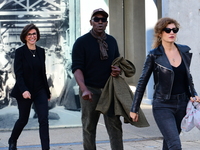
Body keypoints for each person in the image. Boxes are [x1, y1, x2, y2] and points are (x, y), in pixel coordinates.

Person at [130, 17, 200, 150]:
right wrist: (134, 108)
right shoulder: (154, 55)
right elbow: (142, 82)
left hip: (182, 104)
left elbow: (187, 77)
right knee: (175, 145)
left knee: (168, 144)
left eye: (174, 29)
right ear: (160, 33)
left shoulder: (184, 51)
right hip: (163, 105)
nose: (172, 32)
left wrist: (194, 94)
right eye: (168, 30)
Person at [72, 8, 123, 150]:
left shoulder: (112, 41)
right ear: (91, 22)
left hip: (109, 90)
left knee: (115, 127)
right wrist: (84, 89)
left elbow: (117, 62)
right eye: (96, 19)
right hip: (90, 90)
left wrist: (118, 70)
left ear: (106, 23)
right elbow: (77, 68)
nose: (100, 22)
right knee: (89, 127)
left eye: (103, 20)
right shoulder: (81, 42)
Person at [8, 24, 51, 150]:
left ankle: (45, 148)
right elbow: (19, 73)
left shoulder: (41, 52)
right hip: (24, 91)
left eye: (34, 34)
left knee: (43, 120)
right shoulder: (20, 52)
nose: (32, 36)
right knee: (23, 119)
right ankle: (12, 140)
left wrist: (47, 92)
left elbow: (43, 73)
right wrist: (24, 90)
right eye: (29, 34)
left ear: (37, 36)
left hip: (40, 90)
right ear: (25, 37)